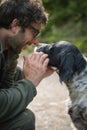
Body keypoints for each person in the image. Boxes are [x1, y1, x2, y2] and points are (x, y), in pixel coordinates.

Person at [0, 0, 54, 130]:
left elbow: (4, 83)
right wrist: (29, 82)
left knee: (23, 119)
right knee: (24, 119)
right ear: (15, 25)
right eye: (35, 33)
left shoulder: (9, 49)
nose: (36, 42)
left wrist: (30, 73)